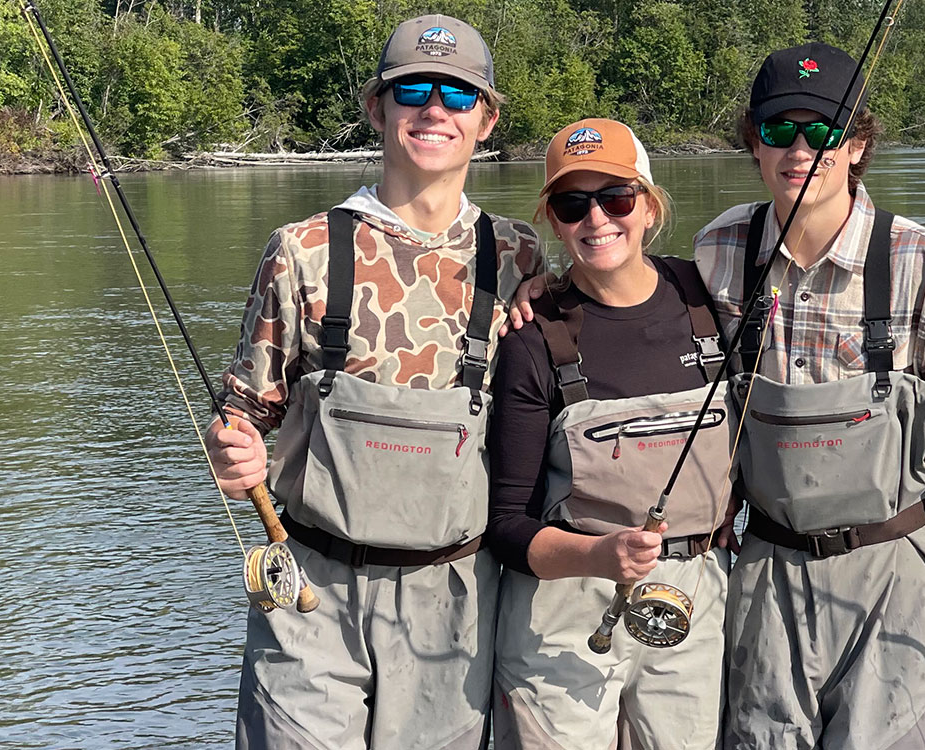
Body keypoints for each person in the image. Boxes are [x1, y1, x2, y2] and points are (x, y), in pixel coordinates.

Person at [694, 42, 925, 748]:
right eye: (778, 131)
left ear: (858, 143)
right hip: (765, 578)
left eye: (824, 131)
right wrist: (537, 293)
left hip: (898, 578)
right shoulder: (718, 251)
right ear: (753, 142)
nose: (800, 150)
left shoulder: (922, 263)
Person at [205, 14, 542, 749]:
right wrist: (232, 453)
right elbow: (240, 415)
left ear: (486, 121)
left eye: (457, 96)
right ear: (376, 108)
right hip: (311, 593)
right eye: (413, 90)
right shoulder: (301, 250)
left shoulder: (520, 256)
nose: (434, 110)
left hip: (455, 602)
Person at [487, 118, 733, 750]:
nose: (596, 219)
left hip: (695, 600)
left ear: (648, 206)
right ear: (551, 219)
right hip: (561, 613)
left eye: (616, 199)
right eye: (573, 204)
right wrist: (598, 556)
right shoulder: (532, 336)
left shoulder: (709, 298)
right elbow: (506, 525)